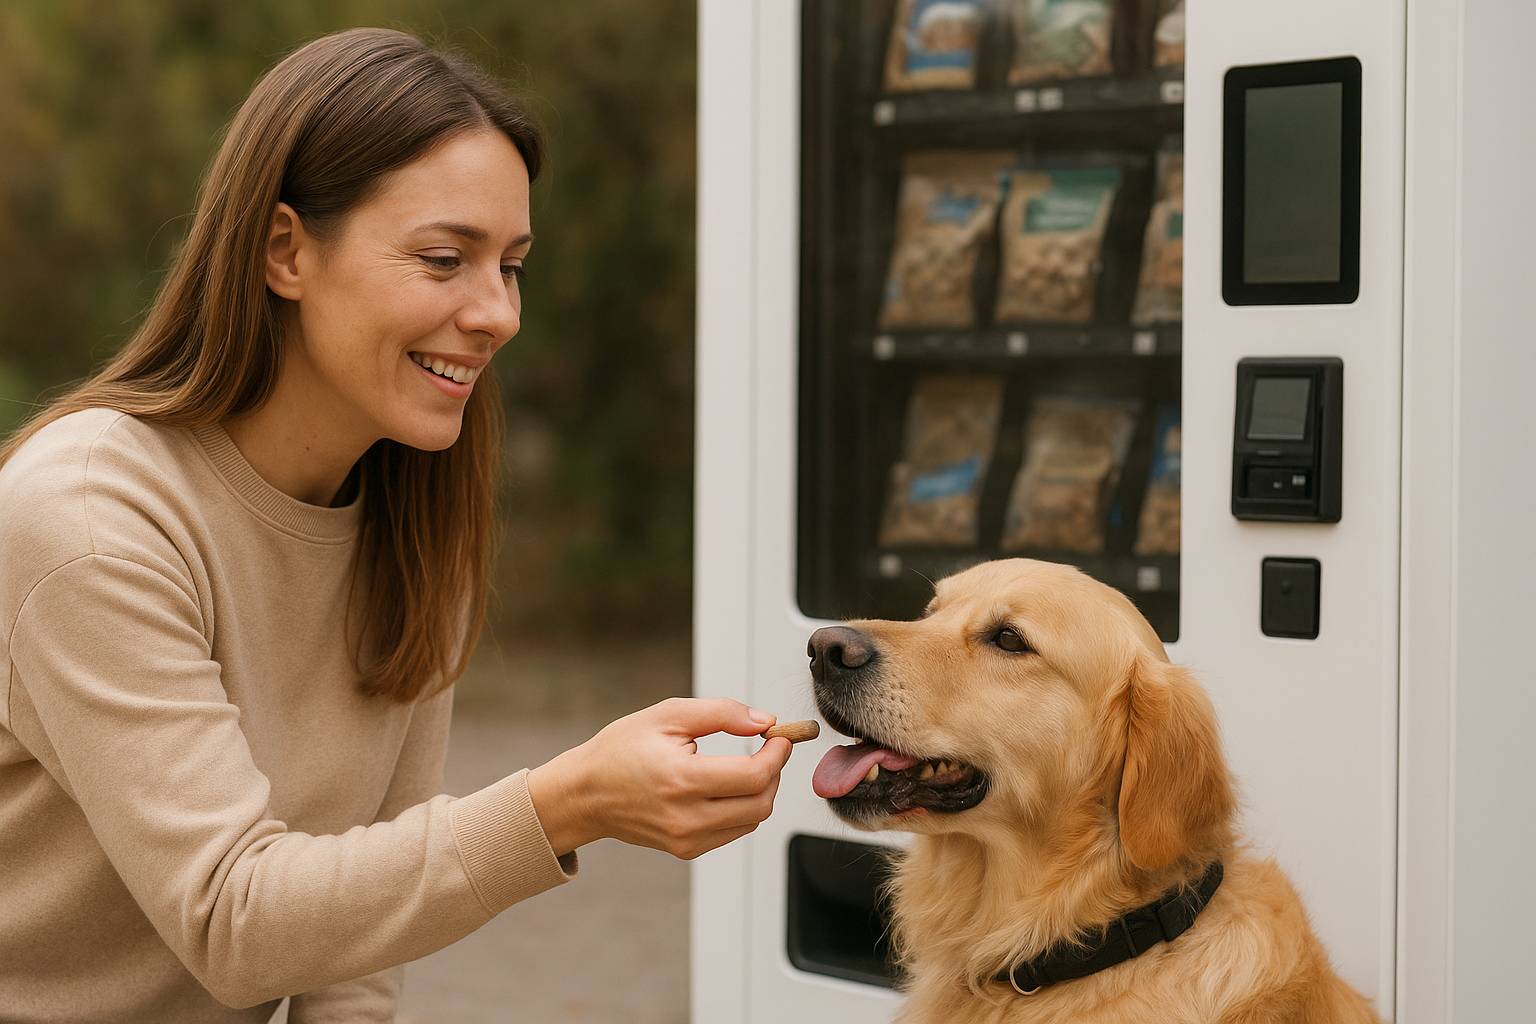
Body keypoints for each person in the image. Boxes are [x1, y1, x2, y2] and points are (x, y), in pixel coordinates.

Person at [0, 27, 792, 1022]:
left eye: (511, 265)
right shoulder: (91, 515)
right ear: (285, 249)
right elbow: (233, 919)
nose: (498, 311)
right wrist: (567, 802)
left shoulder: (416, 516)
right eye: (445, 258)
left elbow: (355, 957)